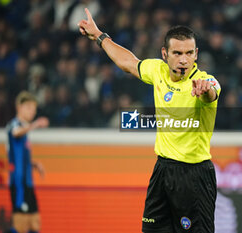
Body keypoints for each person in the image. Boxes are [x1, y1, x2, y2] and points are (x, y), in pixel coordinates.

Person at [78, 8, 221, 233]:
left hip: (193, 176)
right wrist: (99, 36)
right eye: (177, 53)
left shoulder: (204, 81)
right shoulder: (158, 70)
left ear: (196, 55)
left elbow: (211, 92)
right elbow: (128, 62)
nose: (183, 60)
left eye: (189, 53)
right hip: (163, 170)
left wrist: (206, 90)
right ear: (165, 53)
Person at [6, 91, 49, 233]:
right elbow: (15, 132)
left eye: (34, 109)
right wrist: (35, 124)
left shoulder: (25, 132)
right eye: (29, 108)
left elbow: (20, 158)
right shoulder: (14, 125)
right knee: (20, 225)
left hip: (28, 183)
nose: (33, 112)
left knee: (35, 223)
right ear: (19, 107)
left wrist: (34, 164)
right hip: (19, 184)